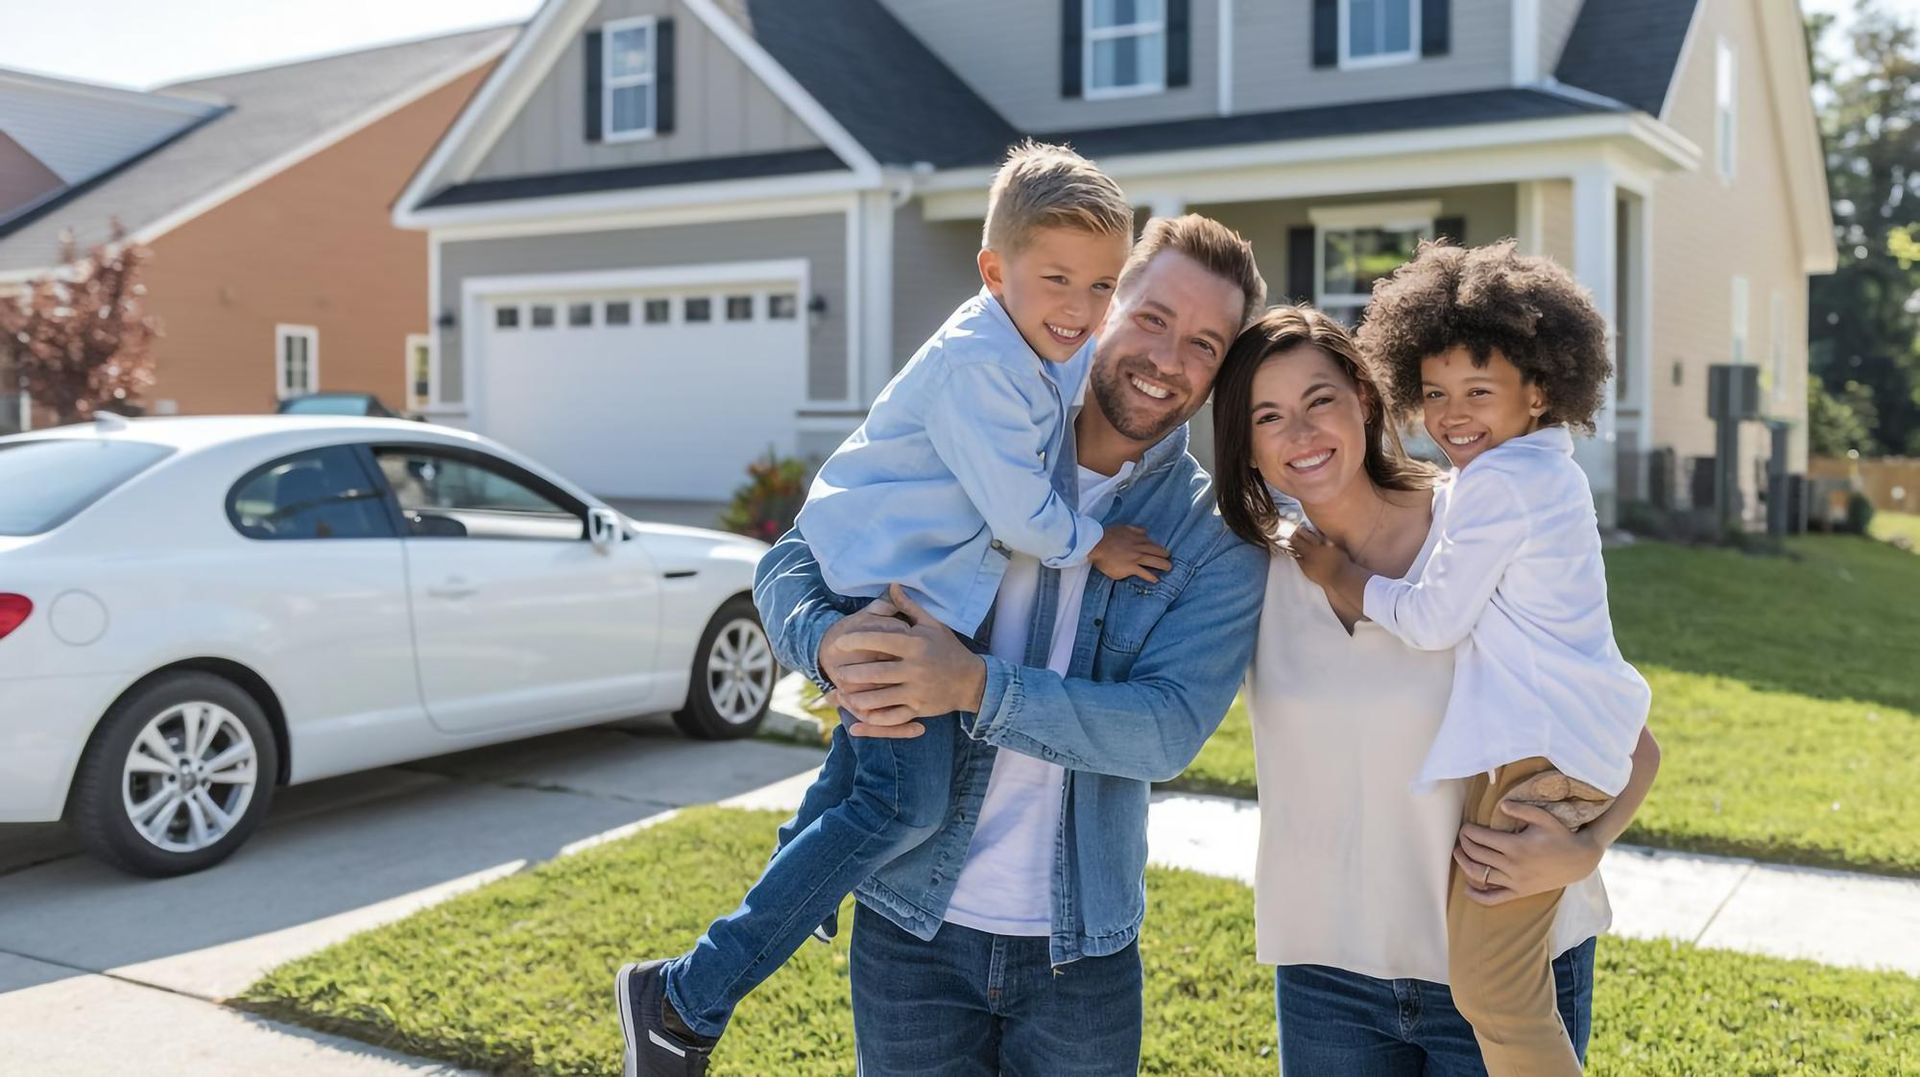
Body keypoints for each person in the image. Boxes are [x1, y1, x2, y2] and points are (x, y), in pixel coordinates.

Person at [614, 141, 1164, 1076]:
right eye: (1058, 279)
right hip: (871, 593)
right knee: (902, 810)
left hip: (896, 592)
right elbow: (1020, 511)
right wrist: (1096, 543)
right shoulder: (978, 366)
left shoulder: (1040, 348)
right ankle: (682, 997)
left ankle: (770, 909)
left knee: (857, 804)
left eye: (1102, 286)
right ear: (995, 270)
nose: (1081, 308)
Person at [753, 214, 1267, 1075]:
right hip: (910, 917)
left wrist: (974, 687)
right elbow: (795, 556)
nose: (1169, 358)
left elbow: (1167, 732)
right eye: (1151, 317)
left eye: (1205, 344)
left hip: (1082, 951)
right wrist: (826, 639)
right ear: (1105, 302)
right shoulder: (987, 415)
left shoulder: (1214, 534)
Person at [1222, 297, 1654, 1076]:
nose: (1301, 433)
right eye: (1268, 416)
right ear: (1245, 444)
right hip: (1328, 972)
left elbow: (1630, 736)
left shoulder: (1479, 518)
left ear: (1364, 395)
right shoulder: (1252, 567)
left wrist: (1586, 848)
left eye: (1320, 399)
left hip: (1496, 963)